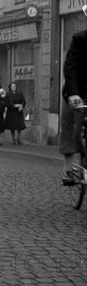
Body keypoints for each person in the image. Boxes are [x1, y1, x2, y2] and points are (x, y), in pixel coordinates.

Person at [60, 25, 87, 186]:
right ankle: (68, 170)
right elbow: (70, 67)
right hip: (76, 91)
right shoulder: (80, 39)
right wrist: (73, 94)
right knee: (70, 128)